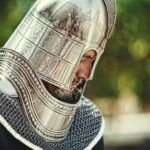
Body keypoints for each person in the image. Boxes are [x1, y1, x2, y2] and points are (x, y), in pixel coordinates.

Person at [0, 0, 116, 149]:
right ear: (47, 49)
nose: (85, 74)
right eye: (81, 58)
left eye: (91, 61)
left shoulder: (89, 127)